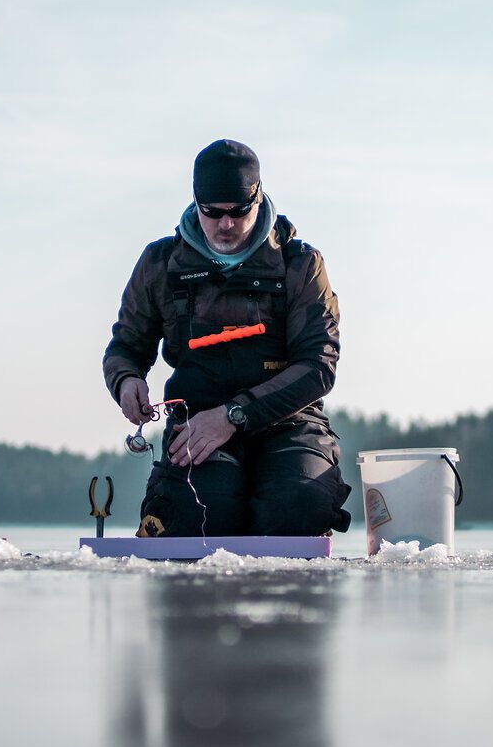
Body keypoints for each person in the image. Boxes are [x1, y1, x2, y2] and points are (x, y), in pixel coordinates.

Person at [103, 139, 352, 538]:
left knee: (296, 505)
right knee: (199, 516)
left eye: (238, 212)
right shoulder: (159, 264)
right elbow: (126, 346)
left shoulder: (301, 264)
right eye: (213, 213)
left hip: (289, 421)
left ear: (258, 198)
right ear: (196, 202)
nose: (226, 225)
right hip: (196, 421)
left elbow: (319, 366)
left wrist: (233, 415)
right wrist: (126, 379)